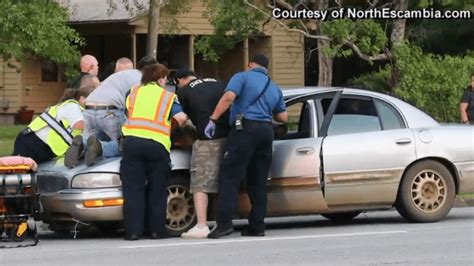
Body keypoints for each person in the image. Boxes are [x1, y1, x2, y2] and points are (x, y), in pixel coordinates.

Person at [206, 53, 288, 239]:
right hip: (266, 132)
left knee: (229, 176)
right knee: (258, 181)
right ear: (266, 68)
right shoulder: (274, 87)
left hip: (245, 129)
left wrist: (213, 119)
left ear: (250, 64)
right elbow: (283, 117)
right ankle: (257, 226)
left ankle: (224, 224)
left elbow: (228, 97)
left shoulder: (241, 77)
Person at [120, 63, 188, 241]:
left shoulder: (132, 93)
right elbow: (181, 118)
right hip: (157, 146)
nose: (166, 81)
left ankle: (133, 232)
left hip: (132, 143)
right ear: (160, 79)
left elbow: (128, 113)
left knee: (133, 190)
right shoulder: (168, 96)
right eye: (165, 78)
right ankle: (156, 231)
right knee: (157, 190)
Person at [64, 56, 157, 168]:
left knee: (90, 139)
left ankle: (81, 145)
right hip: (109, 110)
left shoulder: (116, 76)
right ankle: (100, 148)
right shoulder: (141, 80)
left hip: (89, 108)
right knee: (123, 145)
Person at [173, 69, 230, 239]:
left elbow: (181, 119)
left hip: (206, 141)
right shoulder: (220, 82)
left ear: (179, 80)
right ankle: (224, 222)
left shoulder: (184, 91)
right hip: (230, 138)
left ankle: (202, 225)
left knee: (200, 184)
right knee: (225, 182)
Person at [12, 86, 95, 163]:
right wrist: (99, 124)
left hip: (43, 148)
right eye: (94, 100)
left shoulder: (81, 111)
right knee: (16, 171)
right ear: (82, 99)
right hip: (31, 142)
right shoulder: (72, 106)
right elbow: (78, 125)